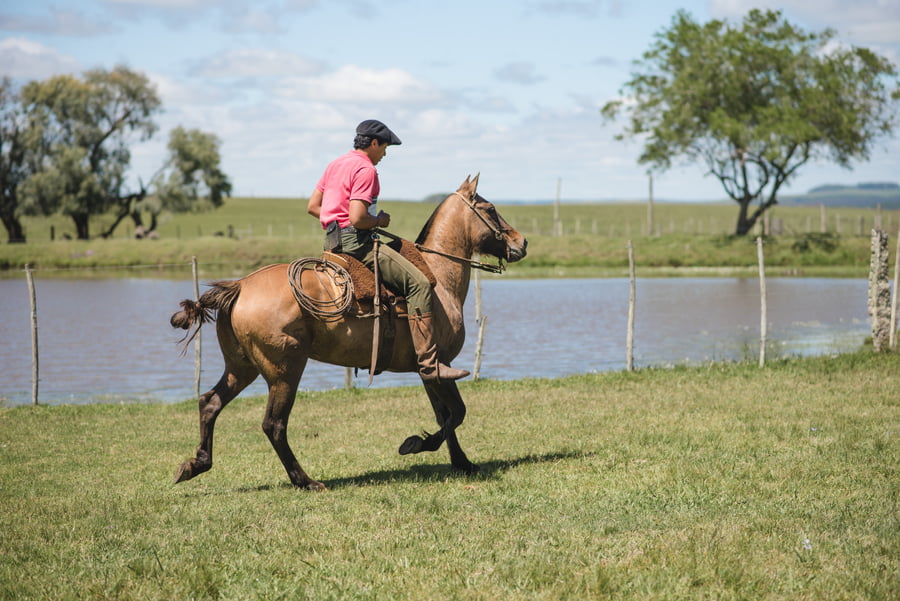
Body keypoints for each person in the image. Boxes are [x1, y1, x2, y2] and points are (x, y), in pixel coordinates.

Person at [307, 120, 469, 382]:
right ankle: (429, 363)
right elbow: (358, 217)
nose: (384, 154)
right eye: (384, 148)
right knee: (418, 284)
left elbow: (314, 206)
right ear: (373, 143)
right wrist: (379, 220)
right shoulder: (366, 169)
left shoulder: (335, 164)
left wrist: (337, 220)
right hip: (357, 244)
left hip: (332, 243)